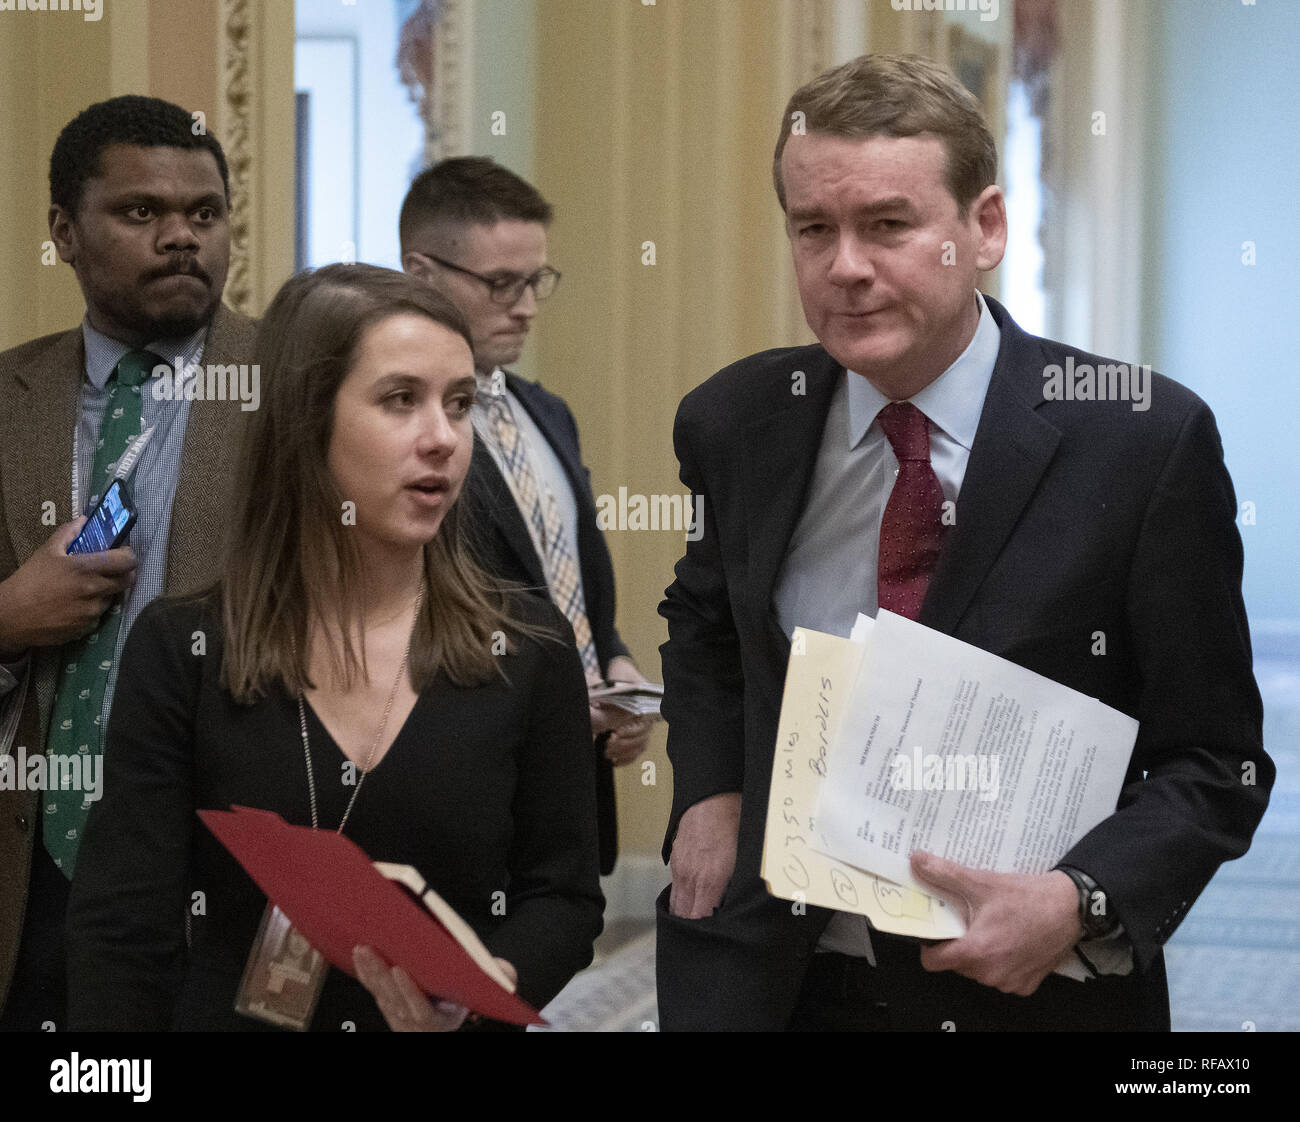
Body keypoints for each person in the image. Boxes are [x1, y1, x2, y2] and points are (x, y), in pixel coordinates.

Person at [655, 53, 1273, 1031]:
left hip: (1020, 995)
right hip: (775, 981)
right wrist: (712, 789)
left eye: (888, 225)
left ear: (983, 227)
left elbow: (1214, 764)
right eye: (813, 229)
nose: (845, 266)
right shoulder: (738, 422)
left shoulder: (1140, 442)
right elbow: (706, 628)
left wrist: (1080, 900)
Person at [66, 264, 604, 1031]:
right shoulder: (185, 647)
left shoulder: (524, 649)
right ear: (304, 418)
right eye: (400, 400)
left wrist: (490, 982)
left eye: (459, 404)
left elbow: (564, 897)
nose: (443, 439)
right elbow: (122, 928)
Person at [0, 95, 256, 1031]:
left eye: (204, 214)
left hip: (228, 863)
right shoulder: (7, 398)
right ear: (64, 231)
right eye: (141, 213)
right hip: (32, 867)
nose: (182, 237)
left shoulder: (303, 390)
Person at [400, 157, 654, 875]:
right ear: (420, 275)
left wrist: (614, 663)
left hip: (568, 783)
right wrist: (549, 705)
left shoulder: (546, 412)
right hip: (460, 789)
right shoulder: (396, 435)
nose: (526, 306)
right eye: (501, 284)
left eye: (535, 281)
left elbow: (566, 576)